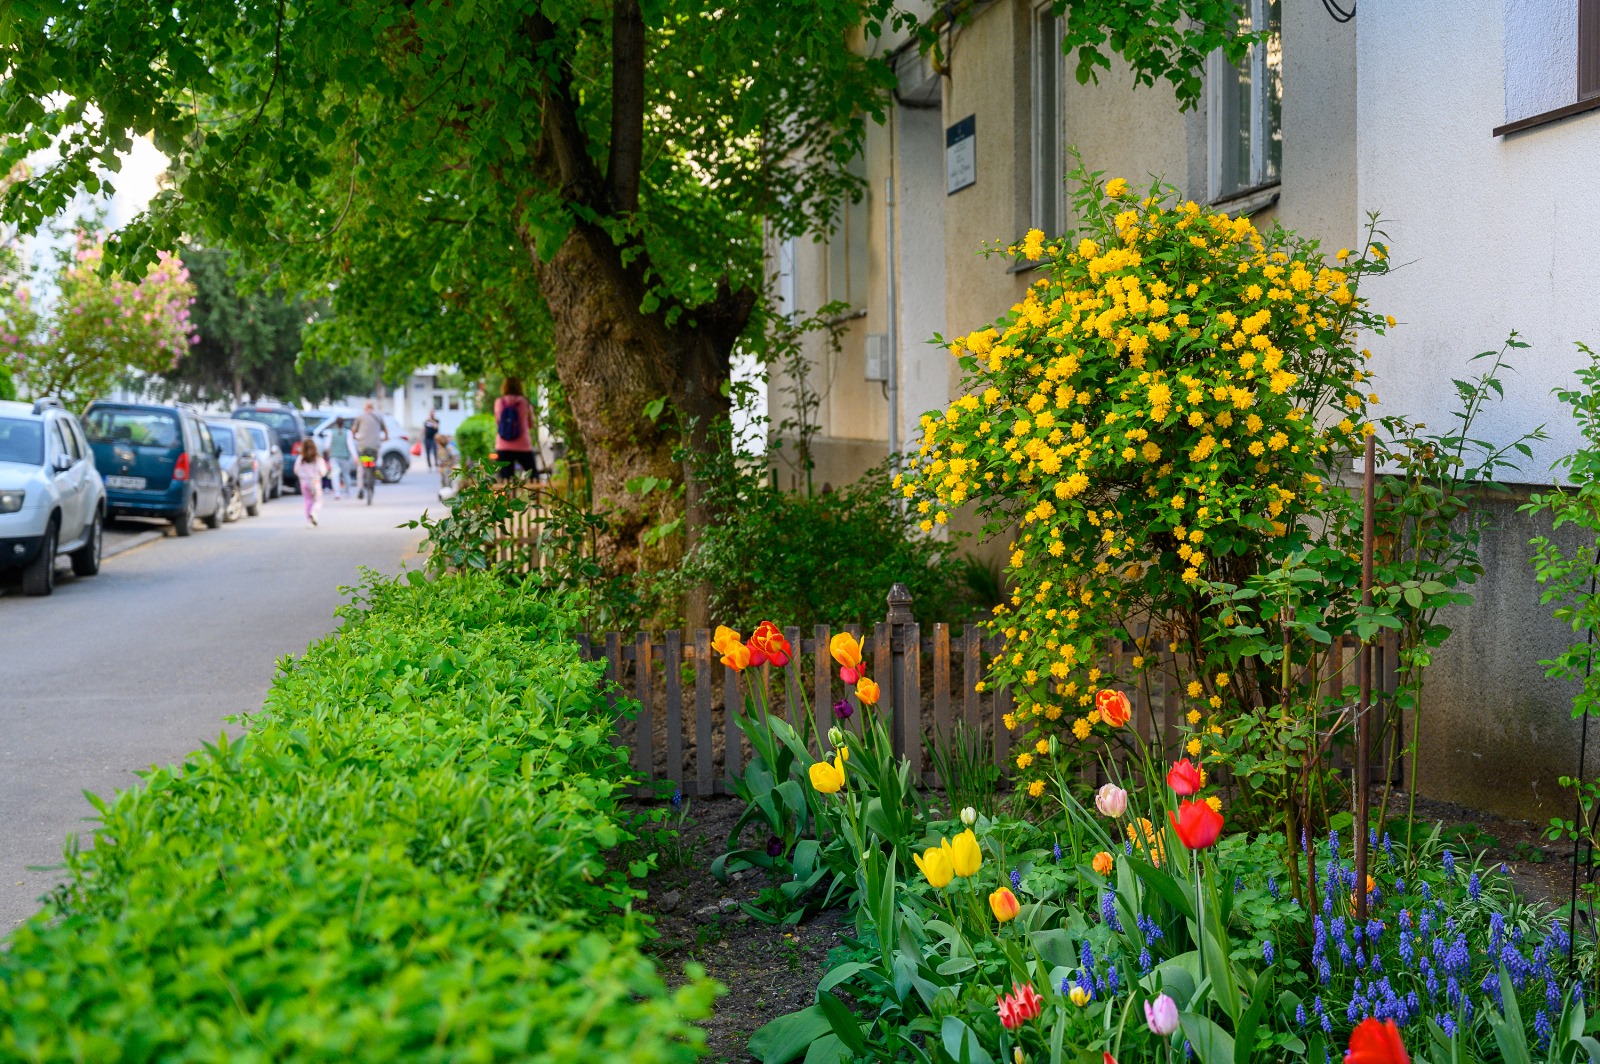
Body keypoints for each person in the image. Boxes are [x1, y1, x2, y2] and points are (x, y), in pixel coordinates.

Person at [493, 377, 538, 481]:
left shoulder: (499, 402)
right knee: (533, 476)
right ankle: (536, 497)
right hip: (523, 445)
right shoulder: (524, 402)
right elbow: (531, 424)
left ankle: (507, 497)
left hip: (503, 446)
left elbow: (498, 423)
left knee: (505, 480)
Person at [351, 400, 387, 501]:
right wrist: (386, 438)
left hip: (363, 446)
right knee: (376, 460)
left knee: (361, 468)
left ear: (365, 408)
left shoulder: (360, 417)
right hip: (375, 446)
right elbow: (385, 430)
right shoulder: (379, 416)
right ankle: (377, 470)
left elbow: (353, 430)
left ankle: (360, 489)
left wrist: (355, 437)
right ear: (373, 407)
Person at [294, 439, 329, 527]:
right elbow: (323, 471)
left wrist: (302, 476)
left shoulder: (300, 459)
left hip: (304, 483)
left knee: (307, 501)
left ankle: (309, 521)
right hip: (315, 483)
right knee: (318, 501)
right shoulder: (318, 459)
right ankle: (314, 512)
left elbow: (296, 470)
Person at [328, 416, 356, 498]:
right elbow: (351, 446)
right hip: (345, 457)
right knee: (346, 474)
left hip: (334, 457)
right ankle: (348, 492)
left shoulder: (331, 432)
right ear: (343, 423)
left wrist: (328, 453)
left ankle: (337, 493)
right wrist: (355, 456)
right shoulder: (347, 432)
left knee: (335, 475)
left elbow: (327, 446)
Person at [436, 432, 460, 500]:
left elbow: (456, 457)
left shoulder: (449, 448)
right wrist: (440, 466)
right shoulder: (440, 449)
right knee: (443, 482)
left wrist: (450, 464)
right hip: (443, 468)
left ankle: (449, 496)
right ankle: (444, 495)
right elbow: (439, 460)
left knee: (449, 482)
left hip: (448, 468)